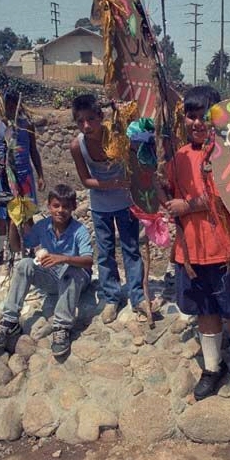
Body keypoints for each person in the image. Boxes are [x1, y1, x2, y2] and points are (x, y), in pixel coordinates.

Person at [162, 85, 230, 408]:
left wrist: (187, 206)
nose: (196, 122)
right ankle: (212, 367)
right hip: (192, 252)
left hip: (229, 250)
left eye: (203, 116)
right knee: (205, 310)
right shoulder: (177, 157)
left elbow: (226, 196)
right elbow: (168, 194)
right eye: (190, 116)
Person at [0, 184, 93, 358]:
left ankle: (61, 326)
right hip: (53, 279)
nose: (60, 211)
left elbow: (88, 261)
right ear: (49, 206)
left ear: (74, 207)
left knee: (71, 270)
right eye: (56, 206)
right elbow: (17, 247)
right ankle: (10, 320)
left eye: (66, 206)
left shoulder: (79, 230)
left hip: (75, 279)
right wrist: (14, 225)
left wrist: (63, 258)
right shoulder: (42, 226)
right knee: (25, 264)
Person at [69, 94, 148, 324]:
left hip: (125, 203)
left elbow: (138, 139)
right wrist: (109, 184)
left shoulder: (117, 135)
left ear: (100, 117)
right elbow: (85, 181)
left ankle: (138, 296)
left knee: (131, 248)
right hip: (100, 207)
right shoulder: (77, 146)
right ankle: (112, 298)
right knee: (105, 253)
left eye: (91, 119)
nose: (86, 126)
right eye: (80, 121)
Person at [0, 89, 45, 271]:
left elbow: (33, 151)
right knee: (2, 217)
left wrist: (40, 175)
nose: (11, 108)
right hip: (4, 180)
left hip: (25, 180)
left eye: (14, 104)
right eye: (7, 104)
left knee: (27, 216)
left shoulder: (27, 126)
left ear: (19, 105)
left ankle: (32, 251)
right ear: (1, 106)